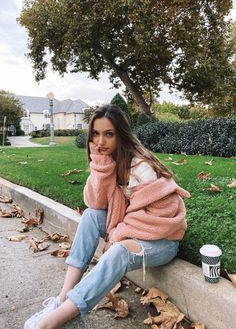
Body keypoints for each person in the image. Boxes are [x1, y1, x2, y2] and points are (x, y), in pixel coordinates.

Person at [24, 104, 190, 329]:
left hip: (161, 241)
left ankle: (52, 321)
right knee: (91, 216)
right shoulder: (109, 160)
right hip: (133, 230)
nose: (100, 141)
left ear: (121, 134)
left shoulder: (141, 166)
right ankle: (63, 297)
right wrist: (101, 168)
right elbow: (94, 203)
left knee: (118, 252)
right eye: (96, 133)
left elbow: (165, 217)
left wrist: (120, 233)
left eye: (108, 134)